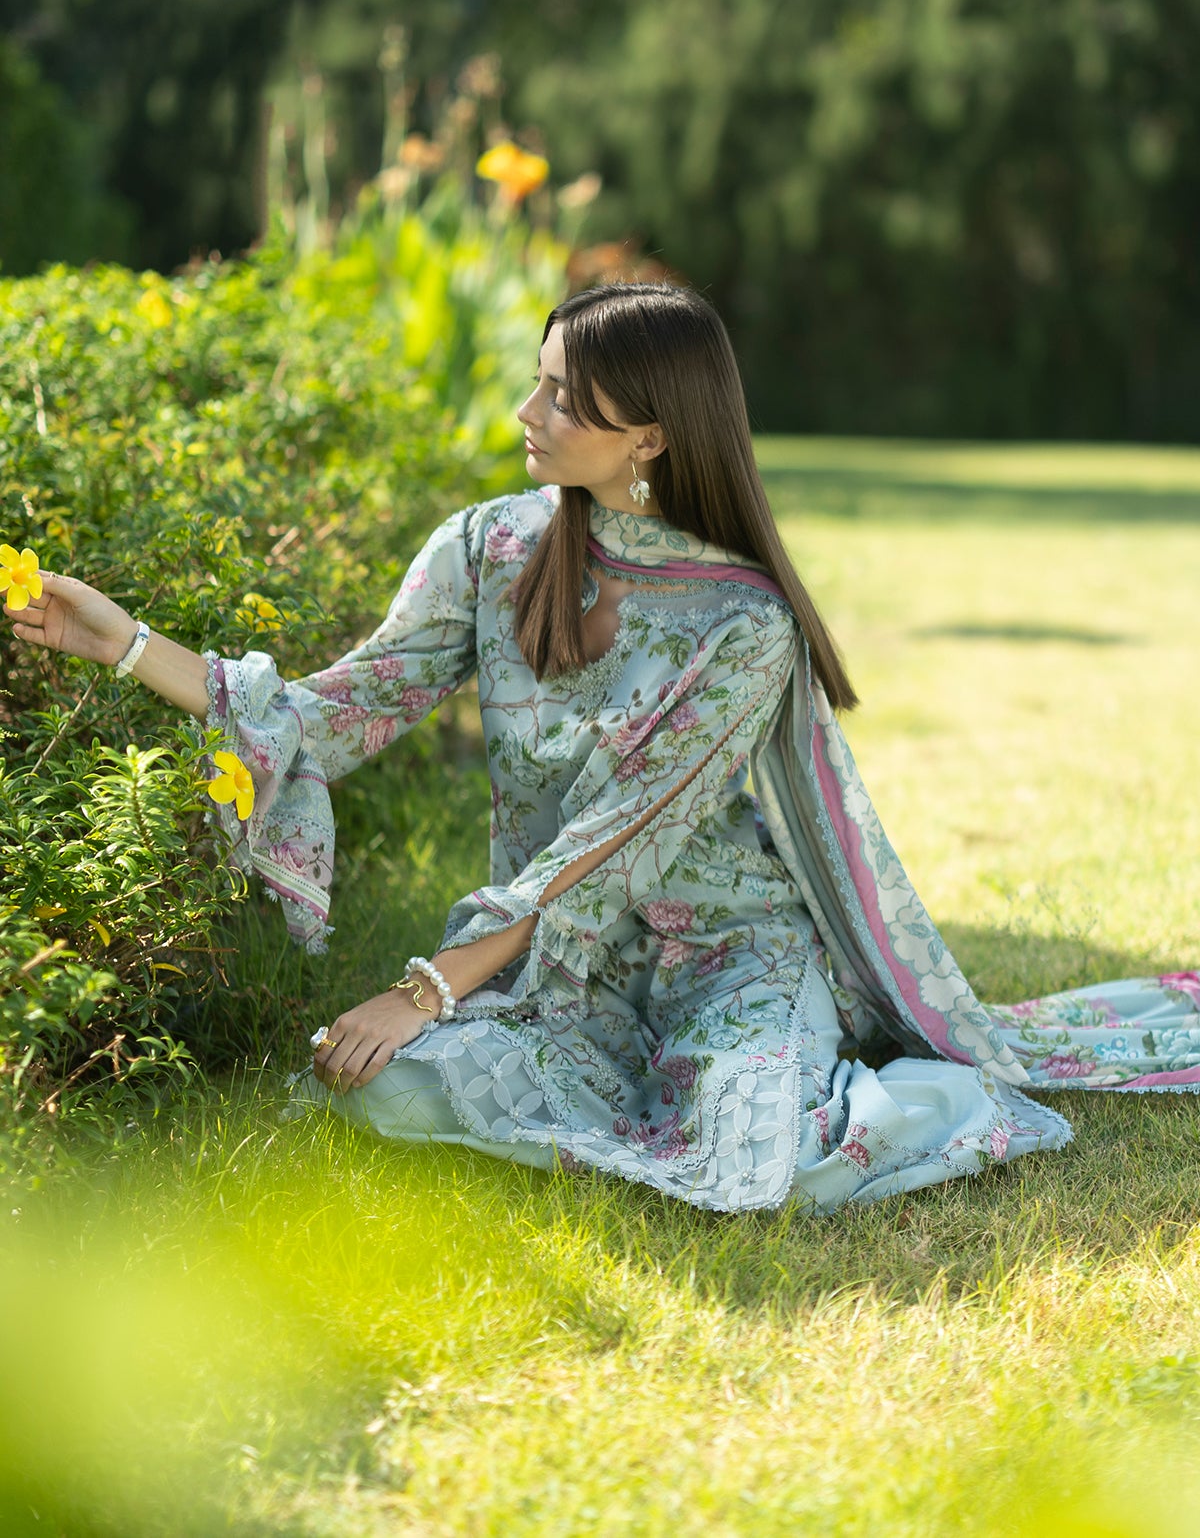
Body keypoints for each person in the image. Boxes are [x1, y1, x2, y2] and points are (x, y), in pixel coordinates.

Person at [7, 282, 1200, 1214]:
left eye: (563, 400)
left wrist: (426, 987)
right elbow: (338, 712)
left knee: (761, 1165)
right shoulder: (487, 549)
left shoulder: (744, 624)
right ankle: (628, 1087)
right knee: (389, 1087)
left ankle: (923, 1094)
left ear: (652, 436)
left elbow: (612, 839)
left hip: (727, 948)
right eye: (537, 384)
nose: (527, 416)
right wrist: (124, 642)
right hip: (561, 968)